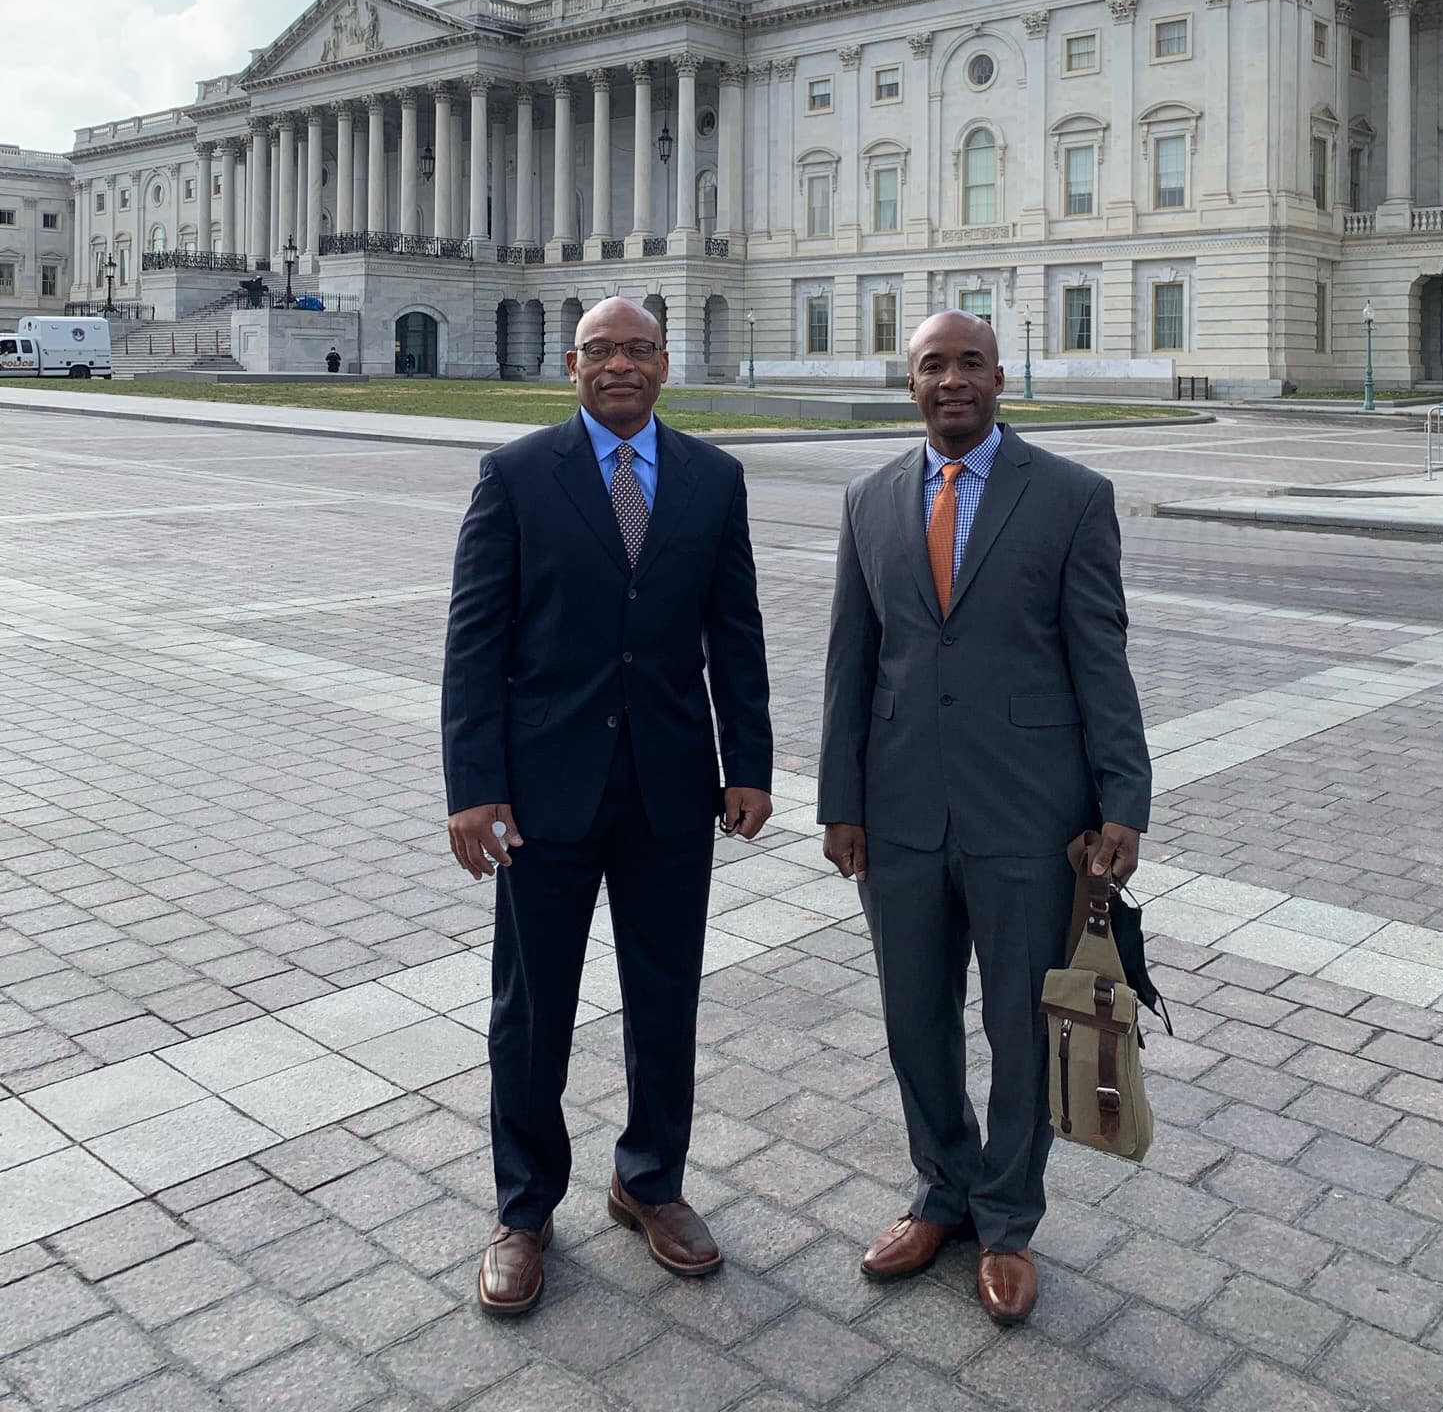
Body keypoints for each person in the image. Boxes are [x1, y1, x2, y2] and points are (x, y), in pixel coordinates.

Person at [441, 296, 774, 1318]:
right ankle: (525, 1204)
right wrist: (473, 786)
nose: (620, 364)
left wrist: (749, 760)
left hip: (671, 786)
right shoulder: (516, 474)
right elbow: (475, 640)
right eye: (601, 350)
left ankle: (650, 1178)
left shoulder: (714, 478)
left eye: (637, 348)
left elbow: (737, 629)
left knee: (665, 995)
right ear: (571, 365)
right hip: (544, 791)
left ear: (665, 363)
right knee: (531, 1007)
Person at [818, 310, 1151, 1325]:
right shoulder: (870, 499)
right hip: (901, 810)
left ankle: (1007, 1217)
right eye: (932, 365)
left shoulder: (1071, 497)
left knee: (1020, 1026)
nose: (951, 379)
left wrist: (1122, 800)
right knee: (913, 1019)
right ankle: (942, 1190)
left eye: (969, 362)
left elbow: (1101, 656)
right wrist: (840, 800)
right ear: (908, 383)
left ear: (1001, 376)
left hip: (1030, 813)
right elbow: (850, 662)